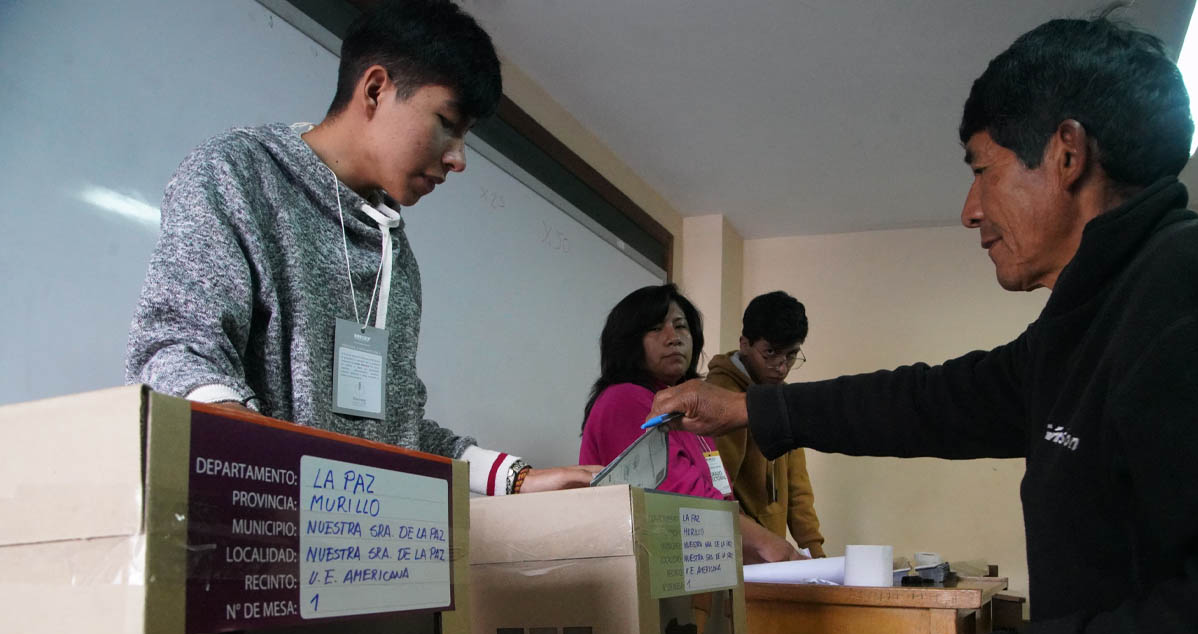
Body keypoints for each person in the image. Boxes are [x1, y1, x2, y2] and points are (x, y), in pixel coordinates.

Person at [651, 12, 1198, 634]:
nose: (969, 210)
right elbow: (926, 401)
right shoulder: (1079, 331)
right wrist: (745, 410)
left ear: (1067, 154)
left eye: (982, 171)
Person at [126, 0, 597, 496]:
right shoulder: (238, 175)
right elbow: (174, 352)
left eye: (466, 138)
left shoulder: (395, 250)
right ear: (375, 90)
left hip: (363, 550)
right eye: (447, 123)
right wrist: (268, 462)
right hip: (260, 539)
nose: (458, 159)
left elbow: (396, 430)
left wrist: (515, 478)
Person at [580, 284, 803, 564]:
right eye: (656, 328)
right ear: (628, 340)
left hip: (697, 563)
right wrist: (767, 544)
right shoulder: (624, 399)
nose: (674, 338)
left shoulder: (686, 405)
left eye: (681, 326)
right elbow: (682, 498)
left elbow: (720, 495)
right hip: (649, 573)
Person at [705, 291, 825, 557]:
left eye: (791, 355)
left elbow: (798, 486)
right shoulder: (722, 395)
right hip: (736, 554)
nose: (781, 367)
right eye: (770, 353)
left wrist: (815, 552)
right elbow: (717, 494)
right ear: (745, 344)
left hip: (770, 555)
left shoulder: (780, 396)